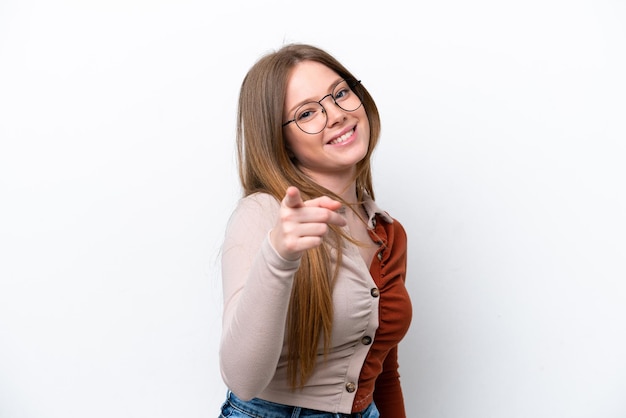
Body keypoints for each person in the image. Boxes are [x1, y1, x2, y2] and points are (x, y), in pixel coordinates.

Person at [218, 43, 413, 418]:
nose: (337, 115)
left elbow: (383, 373)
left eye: (341, 93)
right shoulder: (263, 214)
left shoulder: (388, 233)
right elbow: (242, 379)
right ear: (281, 141)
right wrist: (279, 255)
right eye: (307, 113)